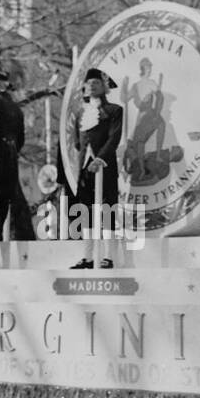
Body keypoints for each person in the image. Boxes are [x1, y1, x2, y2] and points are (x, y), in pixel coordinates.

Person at [70, 67, 124, 269]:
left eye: (97, 83)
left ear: (104, 88)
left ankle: (109, 256)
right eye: (89, 83)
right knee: (86, 212)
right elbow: (77, 142)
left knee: (108, 209)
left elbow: (114, 138)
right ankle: (88, 257)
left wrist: (99, 158)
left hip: (105, 165)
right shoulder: (80, 113)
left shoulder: (115, 111)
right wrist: (84, 161)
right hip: (85, 168)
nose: (92, 86)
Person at [0, 71, 36, 242]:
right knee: (7, 192)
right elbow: (21, 137)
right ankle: (1, 228)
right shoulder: (15, 107)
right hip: (11, 151)